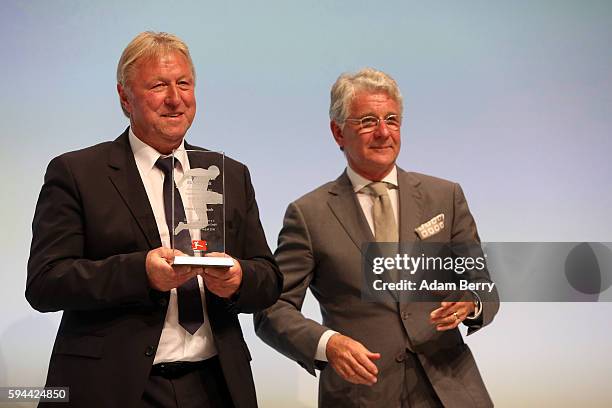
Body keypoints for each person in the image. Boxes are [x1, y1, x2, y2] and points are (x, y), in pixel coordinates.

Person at [26, 31, 281, 408]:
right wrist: (140, 273)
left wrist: (239, 279)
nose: (175, 99)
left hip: (216, 385)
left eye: (184, 84)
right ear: (125, 97)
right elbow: (45, 283)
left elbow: (270, 277)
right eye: (159, 85)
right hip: (115, 387)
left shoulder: (229, 173)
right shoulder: (77, 173)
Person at [254, 68, 499, 407]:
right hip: (362, 395)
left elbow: (483, 284)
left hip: (451, 391)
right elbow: (272, 310)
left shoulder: (445, 196)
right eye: (368, 121)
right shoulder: (309, 215)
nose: (384, 133)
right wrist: (328, 344)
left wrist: (471, 302)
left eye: (392, 120)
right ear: (338, 132)